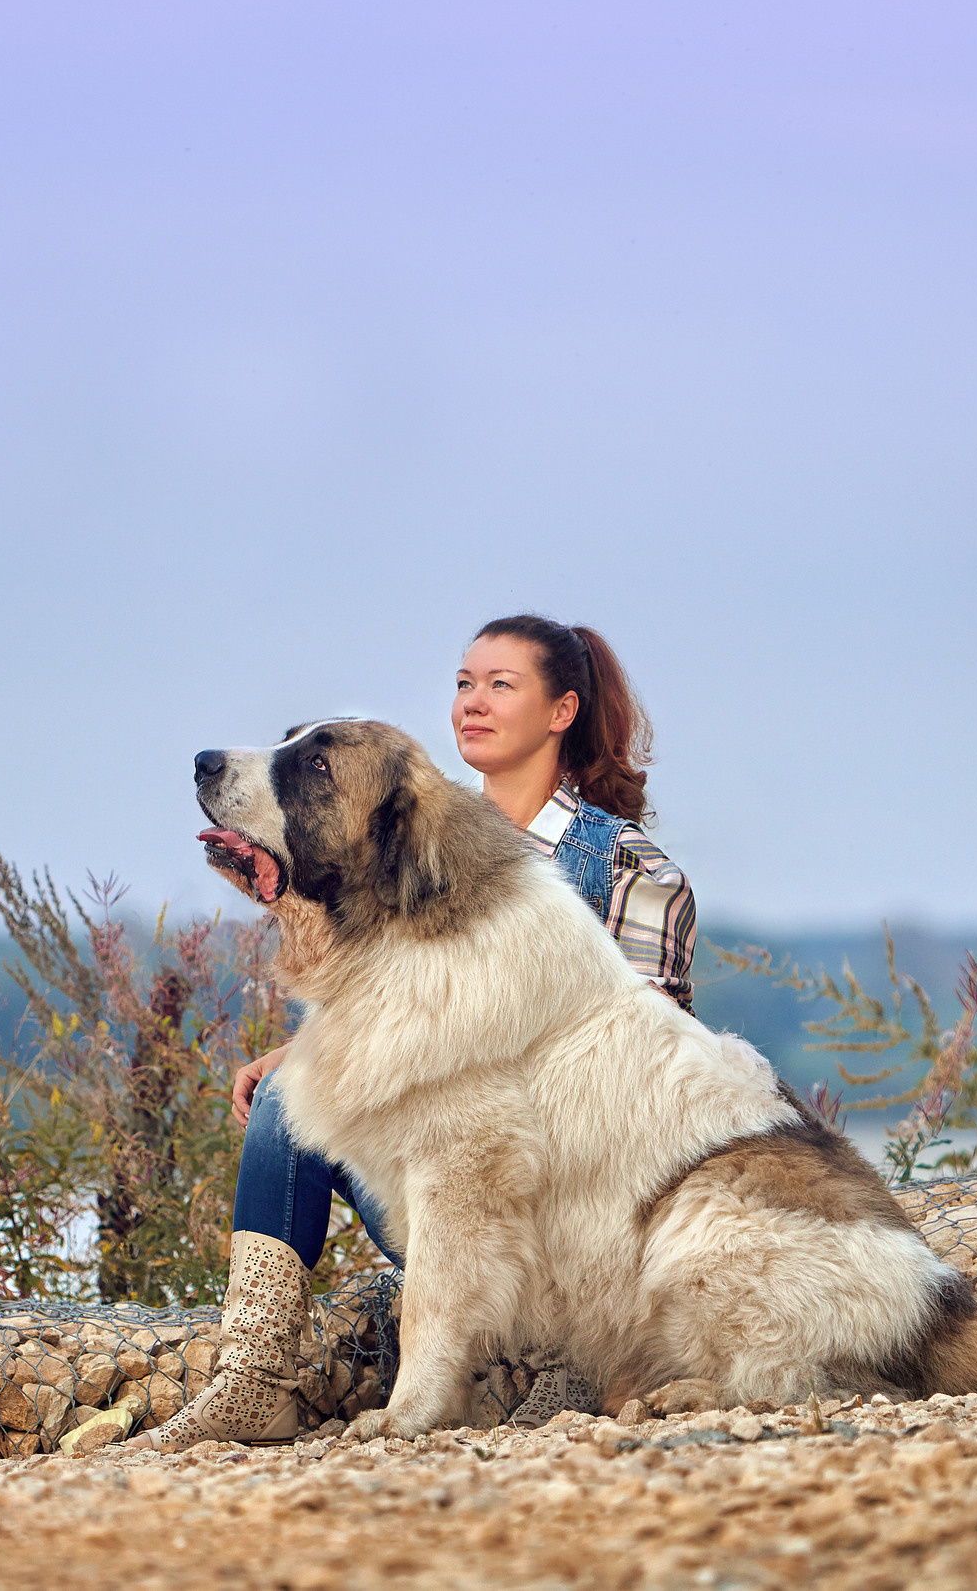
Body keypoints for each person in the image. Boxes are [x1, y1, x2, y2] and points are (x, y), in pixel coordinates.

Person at [147, 614, 698, 1450]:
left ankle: (577, 1360)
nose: (472, 703)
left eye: (501, 685)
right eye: (464, 682)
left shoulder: (631, 870)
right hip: (448, 1184)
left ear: (561, 712)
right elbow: (407, 1022)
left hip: (567, 1197)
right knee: (283, 1102)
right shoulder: (394, 828)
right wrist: (308, 1047)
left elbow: (643, 1077)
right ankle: (252, 1379)